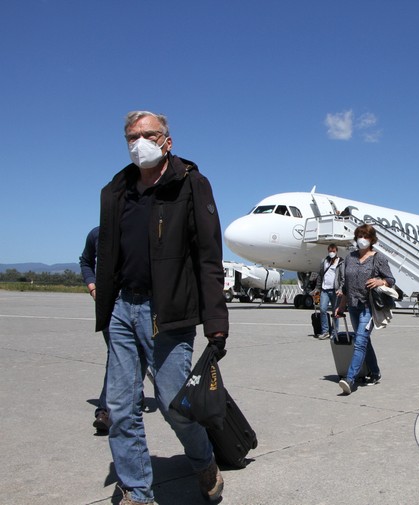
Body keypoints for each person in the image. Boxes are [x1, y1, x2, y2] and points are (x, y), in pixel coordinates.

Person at [95, 111, 228, 505]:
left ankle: (203, 460)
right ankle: (138, 492)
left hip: (167, 311)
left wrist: (216, 322)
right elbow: (108, 252)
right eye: (132, 136)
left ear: (167, 140)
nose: (140, 142)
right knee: (120, 408)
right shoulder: (117, 190)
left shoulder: (191, 184)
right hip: (123, 306)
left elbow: (208, 256)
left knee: (174, 404)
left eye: (148, 134)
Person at [335, 224, 394, 395]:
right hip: (353, 306)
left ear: (372, 239)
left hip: (369, 307)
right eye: (360, 236)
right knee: (364, 341)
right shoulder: (350, 258)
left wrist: (380, 282)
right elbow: (346, 286)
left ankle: (350, 379)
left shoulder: (378, 258)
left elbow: (391, 279)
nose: (362, 239)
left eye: (366, 236)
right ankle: (375, 373)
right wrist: (340, 306)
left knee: (360, 342)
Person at [80, 226, 111, 434]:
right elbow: (85, 261)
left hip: (143, 305)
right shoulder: (97, 234)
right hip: (109, 305)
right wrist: (92, 286)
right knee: (117, 356)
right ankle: (104, 411)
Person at [313, 243, 344, 340]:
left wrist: (341, 289)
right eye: (330, 251)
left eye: (333, 251)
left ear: (336, 251)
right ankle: (325, 331)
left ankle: (334, 332)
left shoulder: (340, 262)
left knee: (335, 312)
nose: (331, 253)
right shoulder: (324, 261)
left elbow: (343, 278)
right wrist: (317, 289)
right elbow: (320, 275)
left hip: (335, 290)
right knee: (322, 309)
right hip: (325, 289)